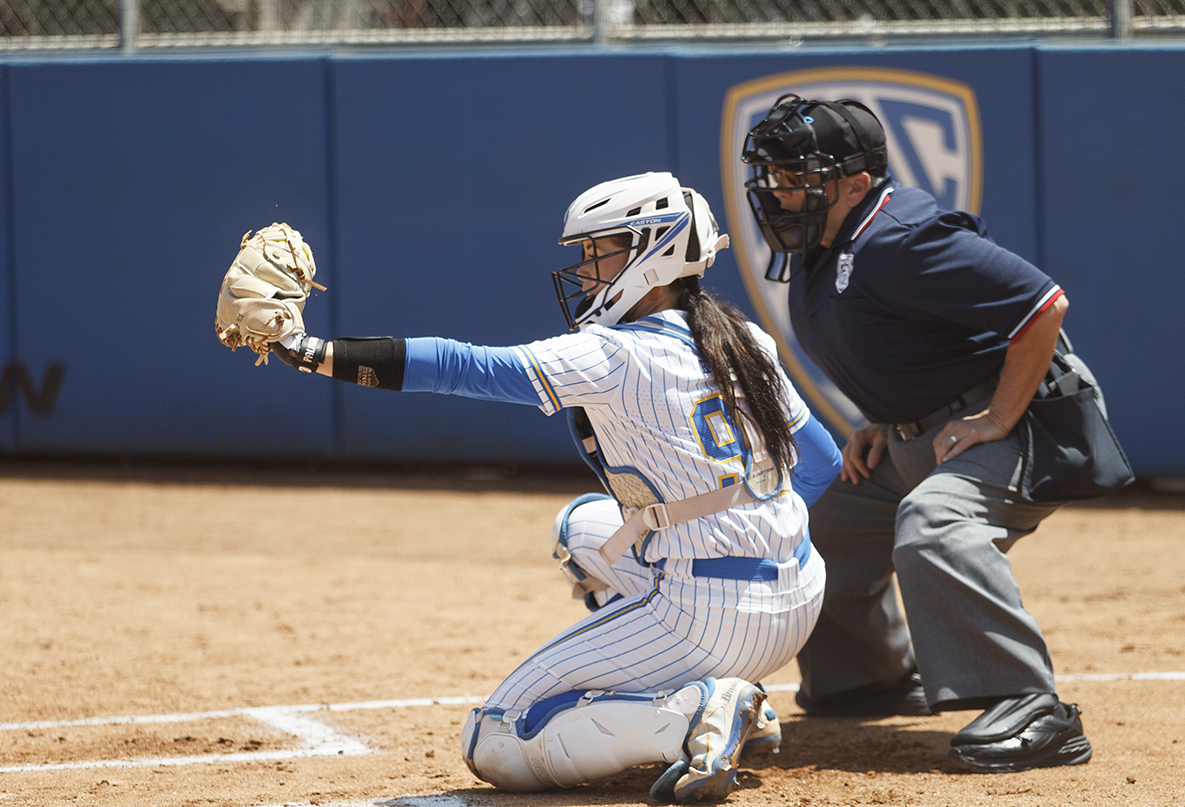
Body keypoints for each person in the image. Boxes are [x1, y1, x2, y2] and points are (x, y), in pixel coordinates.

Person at [269, 172, 843, 800]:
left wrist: (307, 349)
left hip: (709, 616)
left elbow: (465, 366)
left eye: (605, 251)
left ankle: (690, 712)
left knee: (494, 738)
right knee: (580, 529)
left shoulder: (616, 353)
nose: (590, 268)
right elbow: (820, 463)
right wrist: (755, 530)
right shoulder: (746, 338)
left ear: (658, 253)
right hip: (800, 592)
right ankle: (736, 708)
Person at [739, 94, 1103, 773]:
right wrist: (880, 419)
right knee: (816, 522)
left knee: (933, 522)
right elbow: (911, 341)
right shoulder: (830, 243)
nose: (781, 194)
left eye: (799, 180)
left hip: (1025, 422)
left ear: (855, 183)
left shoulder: (900, 235)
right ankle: (865, 675)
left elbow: (1041, 303)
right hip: (921, 435)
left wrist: (996, 415)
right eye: (776, 179)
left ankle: (1032, 705)